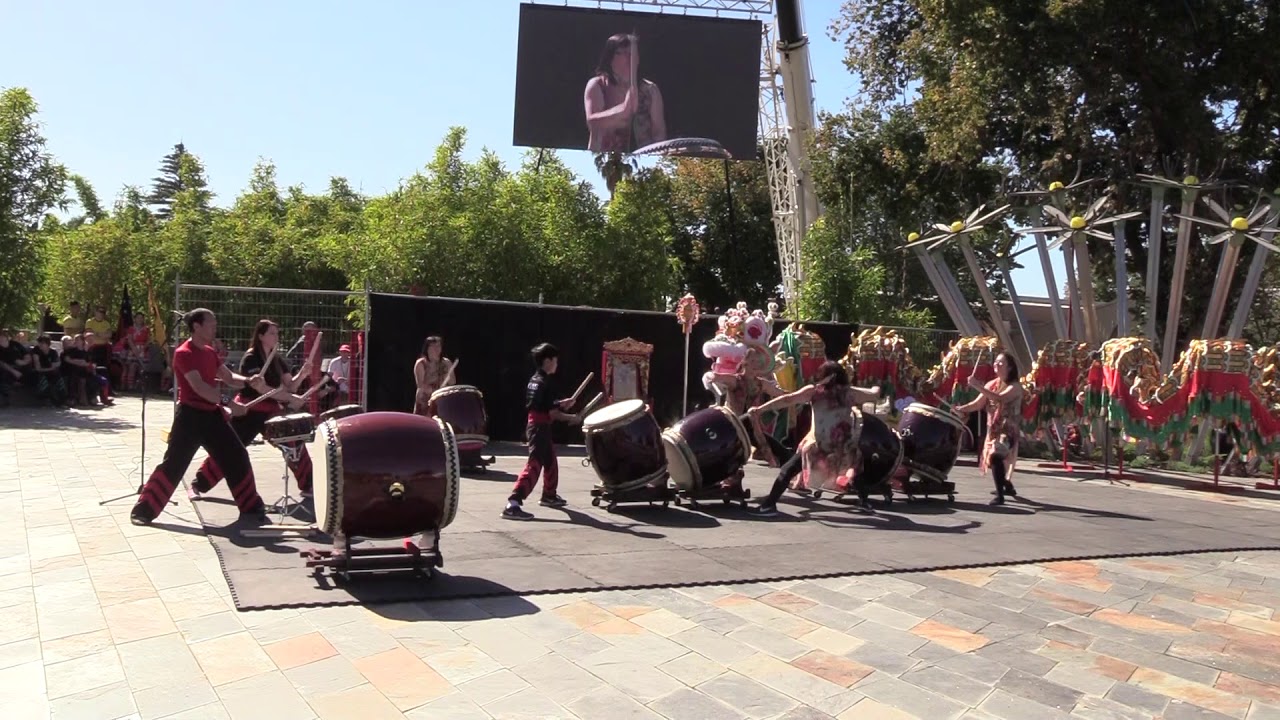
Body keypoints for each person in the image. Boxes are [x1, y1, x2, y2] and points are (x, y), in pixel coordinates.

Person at [131, 309, 267, 526]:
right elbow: (200, 388)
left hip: (211, 416)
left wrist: (250, 381)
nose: (215, 327)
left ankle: (251, 507)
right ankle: (143, 511)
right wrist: (230, 404)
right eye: (211, 324)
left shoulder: (210, 351)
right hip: (190, 418)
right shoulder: (183, 353)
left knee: (237, 455)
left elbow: (229, 377)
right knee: (174, 464)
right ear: (196, 326)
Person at [189, 319, 315, 501]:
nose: (276, 336)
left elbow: (291, 386)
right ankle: (198, 485)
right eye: (272, 333)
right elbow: (261, 389)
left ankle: (308, 485)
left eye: (276, 333)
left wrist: (303, 374)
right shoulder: (251, 357)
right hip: (248, 410)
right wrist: (289, 398)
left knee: (293, 441)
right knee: (228, 449)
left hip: (271, 411)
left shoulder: (277, 359)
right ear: (261, 336)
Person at [746, 361, 881, 516]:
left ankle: (768, 505)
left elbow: (788, 399)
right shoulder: (850, 393)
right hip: (843, 446)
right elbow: (874, 394)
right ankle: (865, 502)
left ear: (829, 376)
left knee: (787, 470)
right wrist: (876, 386)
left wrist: (760, 409)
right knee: (854, 469)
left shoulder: (814, 391)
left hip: (820, 446)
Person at [502, 343, 580, 519]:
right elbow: (552, 413)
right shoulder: (546, 383)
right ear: (547, 361)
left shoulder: (535, 380)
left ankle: (549, 495)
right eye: (555, 360)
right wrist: (572, 418)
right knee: (534, 465)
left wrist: (562, 403)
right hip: (539, 428)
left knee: (550, 461)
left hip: (538, 426)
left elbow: (545, 405)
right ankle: (512, 503)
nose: (557, 364)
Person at [954, 351, 1024, 505]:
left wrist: (977, 386)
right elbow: (978, 404)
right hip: (993, 430)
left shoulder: (1015, 387)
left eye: (1001, 363)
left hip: (1008, 431)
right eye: (996, 363)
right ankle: (1006, 485)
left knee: (995, 456)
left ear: (1010, 368)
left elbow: (999, 398)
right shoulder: (991, 384)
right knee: (994, 460)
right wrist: (961, 408)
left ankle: (1000, 496)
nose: (996, 366)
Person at [584, 33, 667, 153]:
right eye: (621, 53)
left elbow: (659, 132)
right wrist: (623, 109)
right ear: (610, 58)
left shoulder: (650, 89)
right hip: (605, 160)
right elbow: (592, 123)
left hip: (642, 162)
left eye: (632, 54)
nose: (628, 58)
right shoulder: (598, 85)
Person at [412, 336, 455, 415]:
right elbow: (421, 386)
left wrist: (446, 373)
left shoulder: (446, 363)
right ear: (427, 349)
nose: (436, 349)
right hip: (425, 403)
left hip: (442, 402)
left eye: (438, 346)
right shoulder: (421, 364)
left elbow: (452, 382)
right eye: (433, 347)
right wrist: (436, 392)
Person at [30, 335, 67, 407]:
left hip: (50, 371)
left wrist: (53, 367)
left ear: (48, 344)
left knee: (59, 379)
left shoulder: (53, 352)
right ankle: (45, 400)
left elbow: (58, 363)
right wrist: (51, 368)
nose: (40, 345)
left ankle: (61, 401)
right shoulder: (36, 351)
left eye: (42, 343)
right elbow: (38, 368)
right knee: (43, 380)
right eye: (39, 343)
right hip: (38, 372)